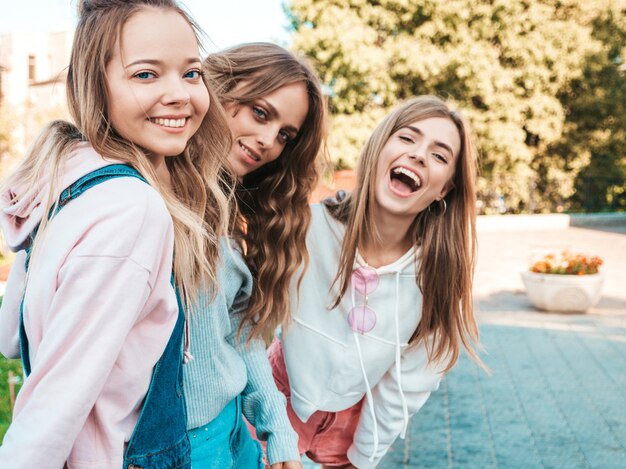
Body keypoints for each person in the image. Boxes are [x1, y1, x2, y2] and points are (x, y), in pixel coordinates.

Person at [0, 1, 232, 467]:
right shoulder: (133, 208)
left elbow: (10, 337)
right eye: (146, 75)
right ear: (93, 86)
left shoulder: (65, 178)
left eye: (191, 73)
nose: (181, 94)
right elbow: (54, 405)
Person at [270, 95, 485, 469]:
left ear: (445, 190)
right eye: (407, 138)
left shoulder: (436, 276)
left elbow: (412, 381)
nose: (419, 155)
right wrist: (273, 427)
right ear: (378, 148)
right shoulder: (305, 226)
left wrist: (364, 455)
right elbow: (248, 319)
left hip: (353, 419)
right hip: (274, 396)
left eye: (439, 155)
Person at [180, 43, 326, 468]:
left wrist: (278, 432)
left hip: (230, 437)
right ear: (217, 89)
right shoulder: (144, 197)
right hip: (169, 446)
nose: (268, 142)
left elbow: (241, 338)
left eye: (285, 136)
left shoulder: (229, 219)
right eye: (260, 113)